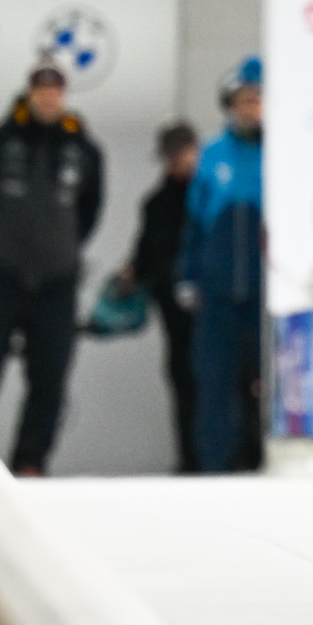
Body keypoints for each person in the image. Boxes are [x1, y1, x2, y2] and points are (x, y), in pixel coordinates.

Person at [0, 61, 104, 476]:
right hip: (0, 279)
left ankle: (30, 464)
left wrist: (59, 252)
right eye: (41, 90)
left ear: (64, 95)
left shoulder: (83, 150)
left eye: (55, 91)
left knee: (49, 381)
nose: (48, 98)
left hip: (56, 284)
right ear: (29, 93)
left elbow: (87, 215)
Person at [180, 61, 264, 473]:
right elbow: (194, 222)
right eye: (244, 100)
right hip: (218, 294)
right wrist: (189, 275)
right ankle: (214, 467)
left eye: (259, 99)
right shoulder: (212, 155)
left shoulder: (286, 154)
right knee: (214, 383)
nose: (252, 108)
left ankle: (261, 461)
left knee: (265, 387)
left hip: (267, 296)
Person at [121, 121, 199, 473]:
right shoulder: (157, 203)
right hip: (174, 308)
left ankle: (227, 455)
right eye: (176, 156)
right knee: (183, 378)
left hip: (215, 306)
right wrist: (134, 272)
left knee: (223, 381)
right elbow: (147, 250)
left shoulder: (210, 196)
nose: (182, 162)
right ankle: (191, 457)